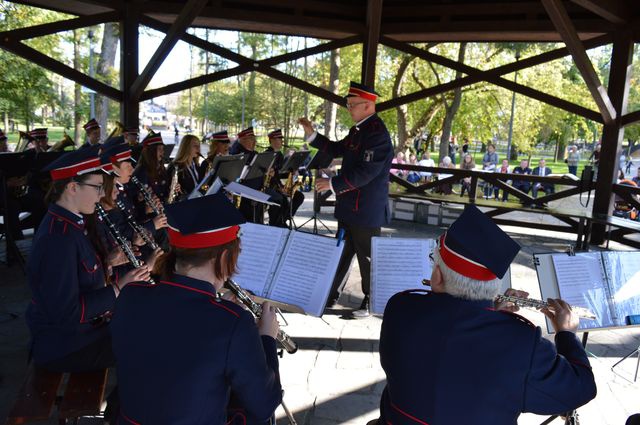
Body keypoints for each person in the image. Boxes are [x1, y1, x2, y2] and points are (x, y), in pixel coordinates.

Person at [377, 205, 597, 424]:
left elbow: (447, 349)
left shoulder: (400, 308)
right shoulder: (522, 343)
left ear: (436, 277)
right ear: (493, 286)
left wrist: (492, 315)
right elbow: (582, 388)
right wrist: (566, 334)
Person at [110, 193, 282, 424]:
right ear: (223, 258)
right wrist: (266, 339)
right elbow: (265, 403)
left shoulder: (131, 295)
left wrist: (226, 319)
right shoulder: (233, 322)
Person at [26, 147, 150, 372]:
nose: (102, 194)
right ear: (73, 188)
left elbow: (78, 276)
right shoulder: (57, 238)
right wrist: (119, 288)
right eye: (97, 187)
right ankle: (122, 407)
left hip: (83, 333)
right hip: (66, 345)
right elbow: (67, 314)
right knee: (149, 344)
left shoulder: (73, 224)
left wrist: (108, 263)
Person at [298, 81, 393, 318]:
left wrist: (332, 184)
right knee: (342, 251)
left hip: (366, 209)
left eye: (352, 104)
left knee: (367, 257)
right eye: (348, 104)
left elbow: (366, 172)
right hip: (350, 206)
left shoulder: (377, 135)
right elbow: (337, 148)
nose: (348, 108)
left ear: (368, 105)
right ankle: (330, 294)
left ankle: (372, 301)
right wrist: (312, 136)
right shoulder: (358, 130)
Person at [265, 128, 304, 227]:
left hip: (278, 185)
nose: (282, 141)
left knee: (299, 196)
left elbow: (280, 174)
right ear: (272, 140)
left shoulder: (279, 154)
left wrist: (291, 172)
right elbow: (268, 176)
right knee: (280, 198)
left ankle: (283, 219)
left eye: (281, 139)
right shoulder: (267, 154)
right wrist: (280, 187)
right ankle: (275, 222)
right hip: (269, 186)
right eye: (279, 139)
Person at [167, 134, 202, 201]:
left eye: (199, 146)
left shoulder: (196, 165)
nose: (198, 148)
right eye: (195, 145)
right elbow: (170, 192)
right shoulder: (175, 167)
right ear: (186, 147)